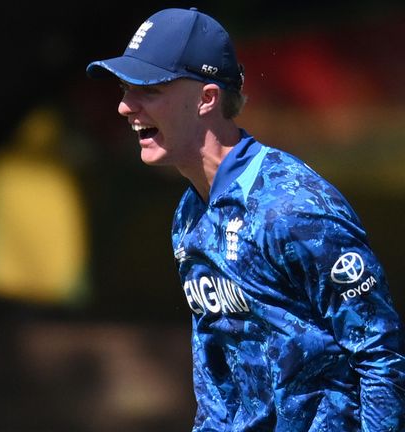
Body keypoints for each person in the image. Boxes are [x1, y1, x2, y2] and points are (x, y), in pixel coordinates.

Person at [87, 7, 405, 431]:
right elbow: (215, 370)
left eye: (150, 89)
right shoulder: (189, 214)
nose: (126, 106)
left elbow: (380, 353)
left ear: (207, 98)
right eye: (126, 89)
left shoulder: (292, 208)